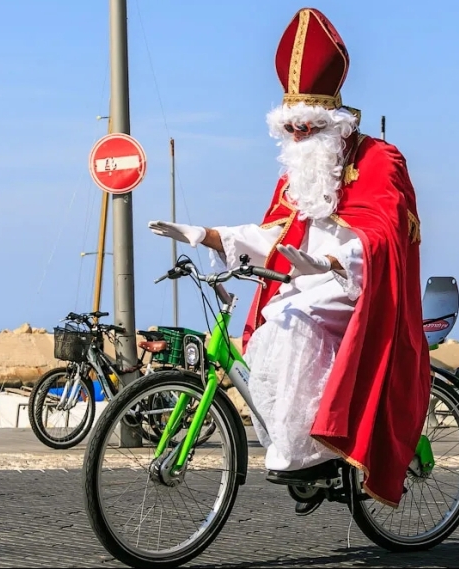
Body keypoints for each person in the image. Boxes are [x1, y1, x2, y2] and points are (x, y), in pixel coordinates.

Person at [148, 7, 430, 515]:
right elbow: (272, 234)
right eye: (291, 128)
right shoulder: (298, 175)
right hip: (305, 282)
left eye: (307, 126)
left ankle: (310, 453)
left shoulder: (378, 158)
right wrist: (207, 234)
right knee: (273, 323)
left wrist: (332, 261)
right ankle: (299, 445)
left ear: (331, 121)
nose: (298, 137)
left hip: (360, 289)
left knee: (289, 319)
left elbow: (388, 234)